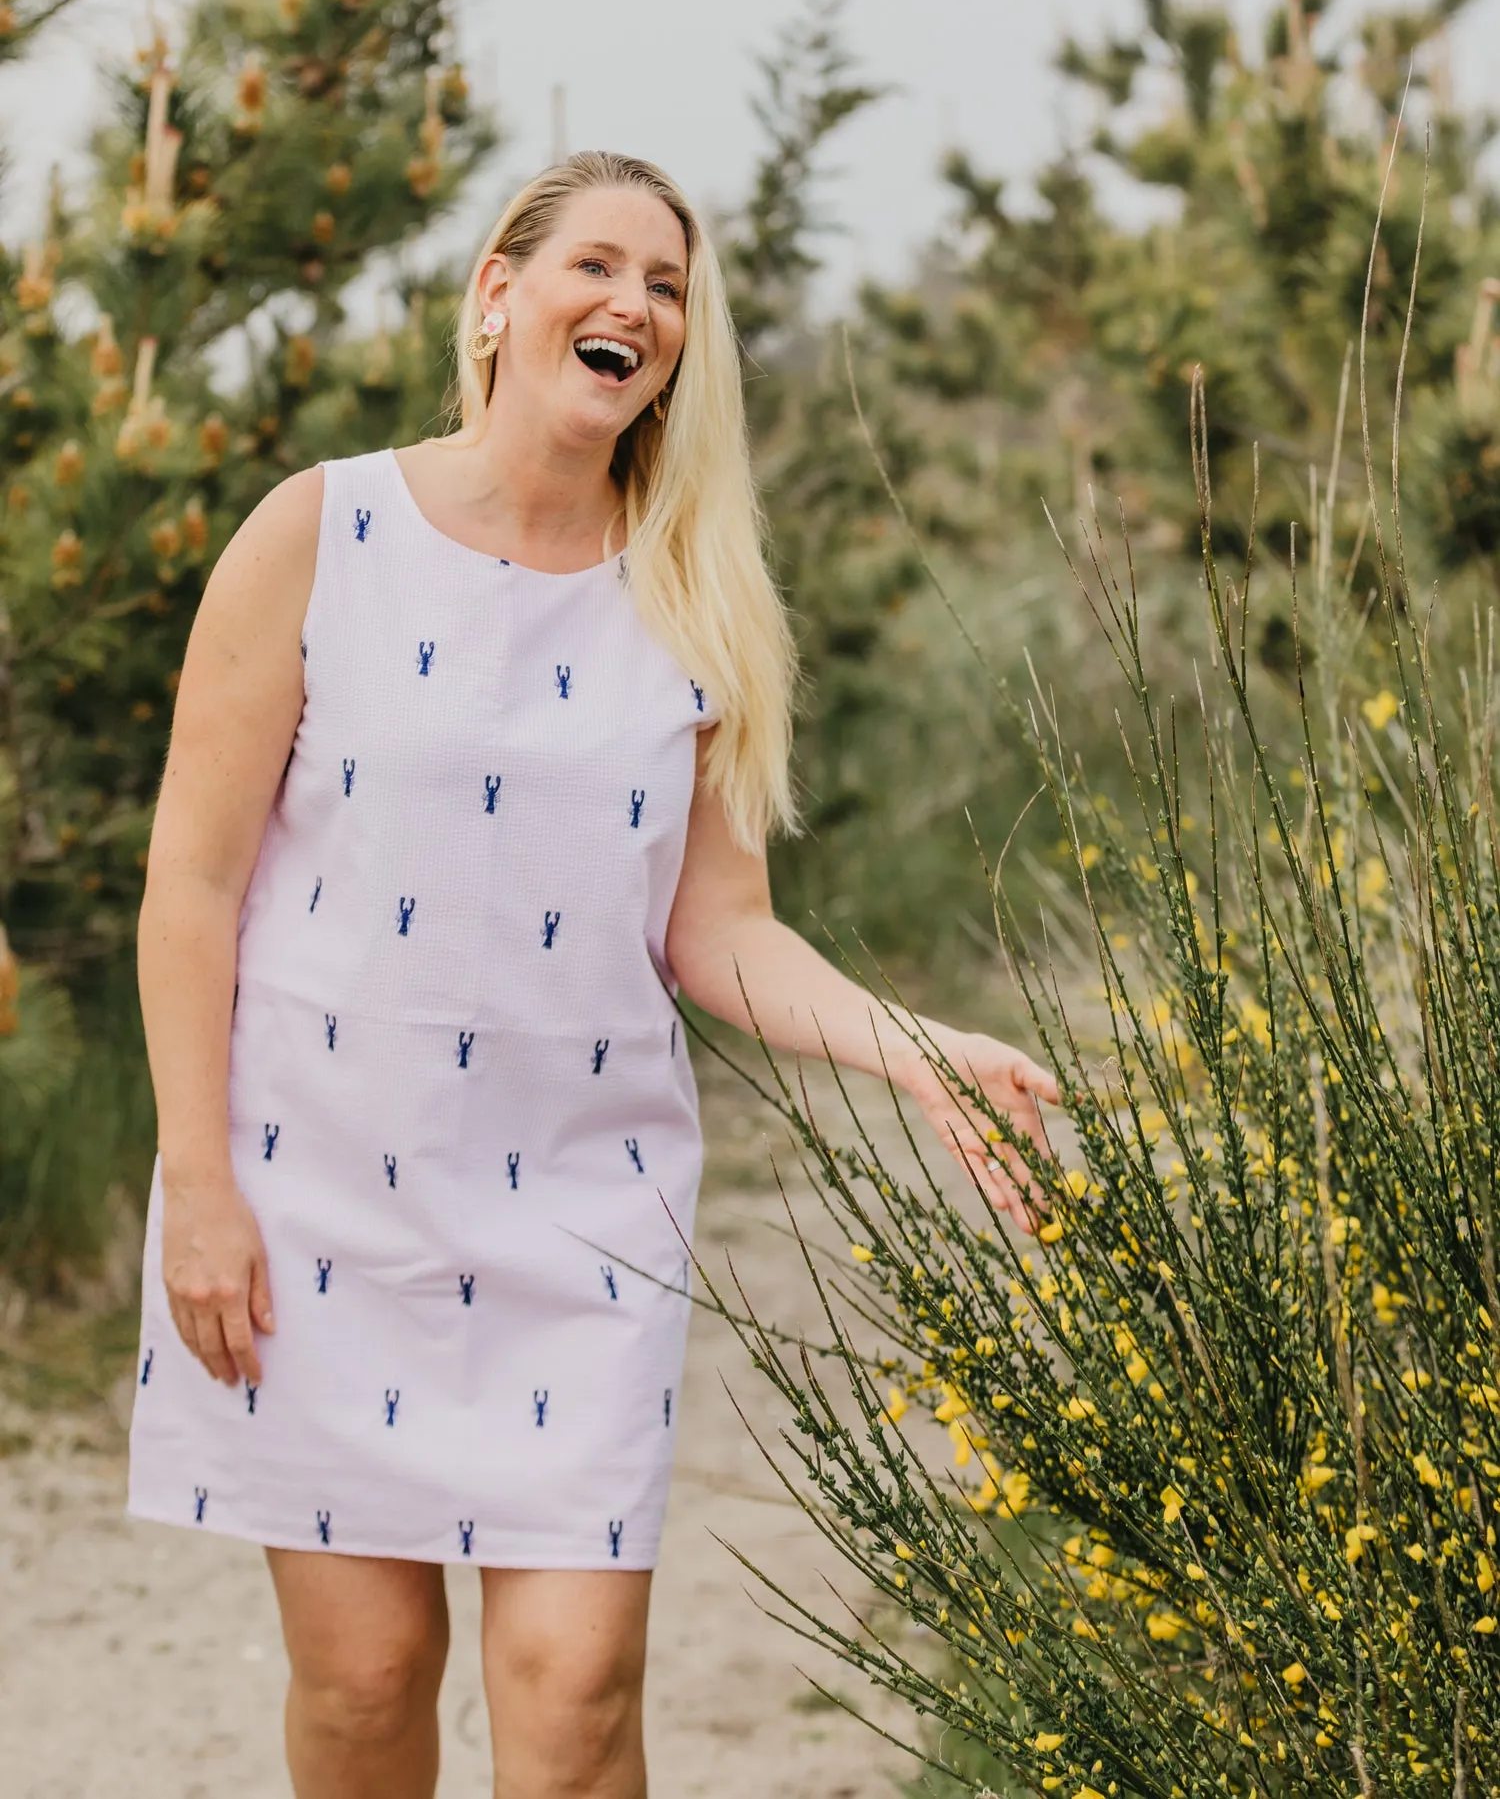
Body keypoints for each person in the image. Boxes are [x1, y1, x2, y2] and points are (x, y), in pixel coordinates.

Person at [127, 150, 1056, 1799]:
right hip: (313, 1195)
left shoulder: (689, 592)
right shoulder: (318, 533)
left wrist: (928, 1053)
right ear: (498, 295)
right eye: (599, 266)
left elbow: (717, 928)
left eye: (670, 285)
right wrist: (197, 1182)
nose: (635, 301)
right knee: (363, 1680)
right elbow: (192, 881)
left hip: (579, 1214)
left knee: (573, 1697)